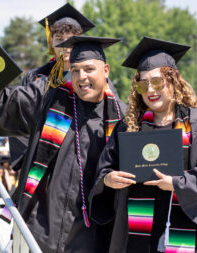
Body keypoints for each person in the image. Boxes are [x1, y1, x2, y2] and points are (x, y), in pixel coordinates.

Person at [0, 35, 125, 252]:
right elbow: (6, 104)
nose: (82, 77)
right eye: (75, 70)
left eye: (89, 69)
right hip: (41, 223)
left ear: (106, 70)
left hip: (91, 233)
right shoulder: (50, 99)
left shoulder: (122, 117)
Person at [88, 37, 197, 252]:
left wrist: (178, 183)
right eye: (143, 84)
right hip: (137, 231)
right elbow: (105, 168)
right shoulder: (130, 127)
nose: (150, 90)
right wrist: (108, 179)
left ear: (173, 81)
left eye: (157, 82)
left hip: (185, 229)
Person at [8, 3, 124, 172]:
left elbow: (113, 117)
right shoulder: (36, 78)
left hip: (87, 160)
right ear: (51, 42)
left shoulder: (98, 81)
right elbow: (19, 119)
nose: (65, 45)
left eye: (70, 40)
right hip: (42, 162)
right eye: (59, 39)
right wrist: (27, 160)